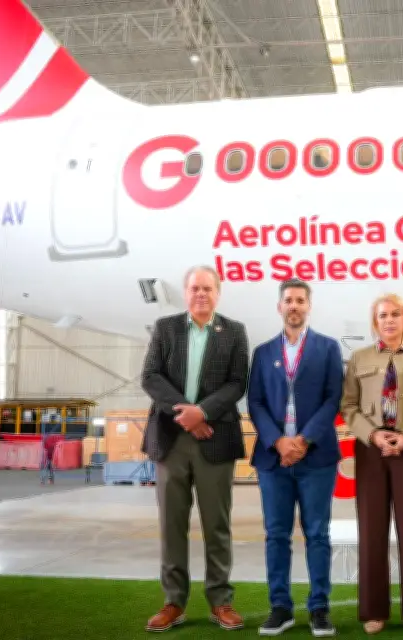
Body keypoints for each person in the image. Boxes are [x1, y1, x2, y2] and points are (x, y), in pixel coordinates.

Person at [140, 265, 250, 633]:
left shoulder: (234, 331)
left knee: (216, 525)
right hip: (171, 441)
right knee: (172, 525)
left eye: (207, 288)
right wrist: (185, 413)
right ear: (185, 293)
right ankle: (174, 602)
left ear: (218, 293)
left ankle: (221, 601)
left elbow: (238, 383)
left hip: (215, 440)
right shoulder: (166, 328)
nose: (200, 294)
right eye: (194, 288)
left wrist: (203, 412)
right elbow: (151, 376)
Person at [340, 293, 403, 637]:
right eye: (382, 315)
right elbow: (349, 407)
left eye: (395, 314)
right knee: (371, 531)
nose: (389, 320)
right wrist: (373, 435)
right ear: (375, 322)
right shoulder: (359, 359)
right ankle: (374, 610)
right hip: (371, 451)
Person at [248, 278, 343, 637]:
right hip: (274, 460)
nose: (294, 306)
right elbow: (254, 401)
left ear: (309, 306)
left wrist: (302, 439)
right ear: (279, 307)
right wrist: (278, 442)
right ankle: (280, 607)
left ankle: (319, 608)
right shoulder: (263, 352)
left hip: (315, 457)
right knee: (276, 535)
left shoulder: (328, 348)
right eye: (288, 300)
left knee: (318, 534)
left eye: (301, 300)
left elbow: (333, 398)